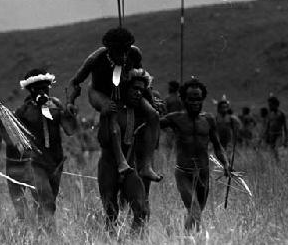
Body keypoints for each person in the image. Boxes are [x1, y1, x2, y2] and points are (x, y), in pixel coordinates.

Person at [67, 27, 161, 181]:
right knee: (111, 109)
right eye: (118, 52)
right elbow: (75, 82)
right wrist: (70, 101)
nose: (123, 56)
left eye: (125, 51)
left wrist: (151, 99)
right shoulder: (95, 59)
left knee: (153, 114)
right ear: (109, 50)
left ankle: (146, 166)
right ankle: (121, 161)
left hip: (123, 90)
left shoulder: (134, 54)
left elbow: (140, 76)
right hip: (99, 92)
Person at [0, 69, 79, 227]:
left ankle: (39, 231)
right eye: (38, 89)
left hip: (56, 163)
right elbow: (6, 135)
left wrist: (70, 114)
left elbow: (70, 130)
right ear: (30, 90)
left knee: (49, 202)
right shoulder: (23, 111)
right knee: (46, 200)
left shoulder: (56, 105)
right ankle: (51, 236)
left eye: (46, 88)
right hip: (35, 164)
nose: (43, 92)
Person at [160, 78, 230, 232]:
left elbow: (218, 146)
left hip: (203, 174)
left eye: (198, 99)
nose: (195, 103)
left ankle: (179, 235)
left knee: (197, 214)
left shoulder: (208, 120)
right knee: (195, 210)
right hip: (184, 173)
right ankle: (184, 239)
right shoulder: (175, 118)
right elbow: (154, 123)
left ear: (203, 99)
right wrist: (153, 108)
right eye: (191, 99)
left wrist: (225, 163)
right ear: (183, 99)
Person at [98, 69, 154, 232]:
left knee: (141, 209)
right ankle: (110, 241)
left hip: (130, 168)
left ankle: (135, 240)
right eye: (134, 88)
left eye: (141, 90)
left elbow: (153, 128)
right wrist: (103, 116)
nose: (137, 93)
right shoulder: (112, 109)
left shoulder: (141, 113)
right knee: (111, 211)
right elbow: (102, 140)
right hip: (109, 167)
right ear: (125, 88)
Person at [263, 96, 288, 161]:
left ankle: (279, 163)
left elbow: (285, 127)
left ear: (275, 104)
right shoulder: (269, 114)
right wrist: (265, 136)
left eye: (270, 105)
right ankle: (275, 164)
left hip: (278, 135)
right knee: (272, 152)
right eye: (269, 105)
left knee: (277, 149)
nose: (269, 106)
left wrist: (286, 139)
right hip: (271, 135)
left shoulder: (281, 114)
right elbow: (267, 126)